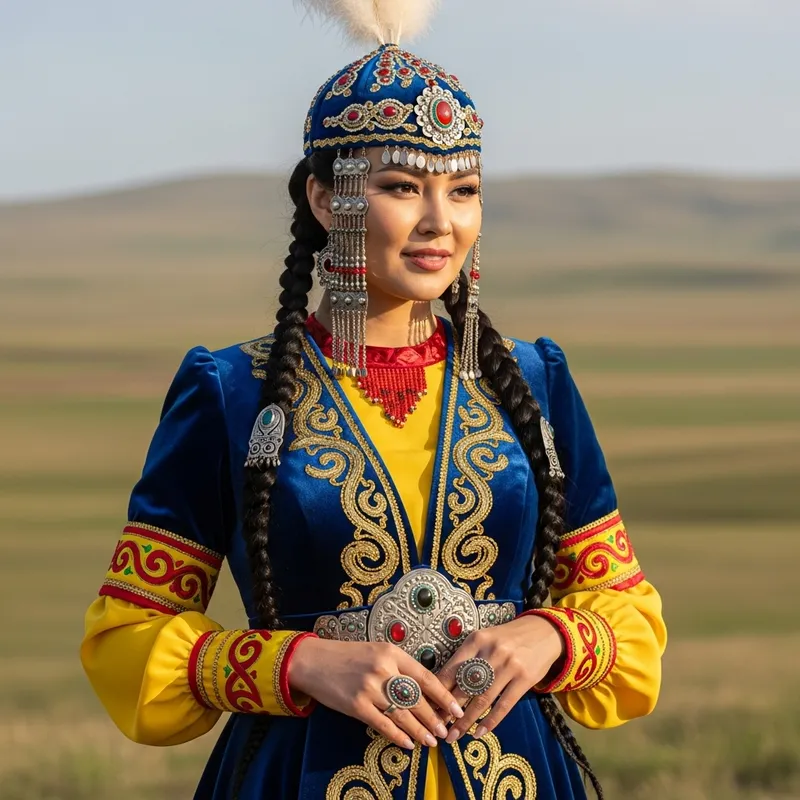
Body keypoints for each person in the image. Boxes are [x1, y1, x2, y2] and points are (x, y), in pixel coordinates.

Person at [80, 3, 667, 798]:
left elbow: (626, 613)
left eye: (463, 191)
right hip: (303, 774)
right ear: (326, 202)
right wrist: (297, 662)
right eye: (401, 186)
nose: (439, 223)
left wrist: (552, 636)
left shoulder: (533, 381)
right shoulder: (232, 393)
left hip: (518, 771)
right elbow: (128, 636)